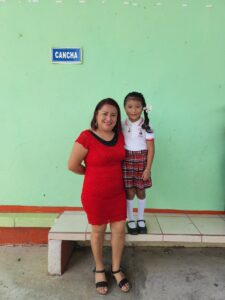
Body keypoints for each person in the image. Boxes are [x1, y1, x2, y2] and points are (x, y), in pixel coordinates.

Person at [68, 98, 130, 295]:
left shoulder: (120, 136)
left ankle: (116, 269)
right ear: (96, 115)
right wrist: (91, 173)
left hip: (117, 193)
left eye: (113, 115)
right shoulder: (86, 137)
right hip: (95, 195)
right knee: (98, 230)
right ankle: (100, 269)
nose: (109, 118)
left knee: (119, 229)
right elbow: (72, 165)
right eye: (104, 113)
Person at [122, 92, 155, 235]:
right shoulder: (122, 124)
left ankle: (141, 218)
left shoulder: (147, 125)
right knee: (129, 191)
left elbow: (151, 148)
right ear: (124, 108)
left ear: (143, 108)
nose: (133, 110)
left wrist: (148, 168)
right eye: (130, 106)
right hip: (126, 160)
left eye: (137, 107)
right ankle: (130, 219)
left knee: (140, 190)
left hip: (142, 160)